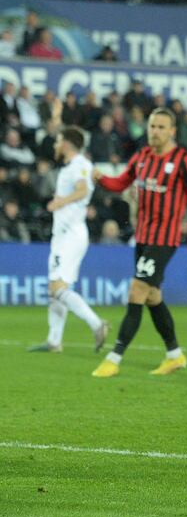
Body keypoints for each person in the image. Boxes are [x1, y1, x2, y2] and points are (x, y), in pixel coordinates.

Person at [90, 107, 187, 378]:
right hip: (143, 238)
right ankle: (174, 355)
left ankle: (114, 358)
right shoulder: (143, 157)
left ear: (172, 131)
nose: (154, 131)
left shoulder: (183, 160)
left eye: (161, 127)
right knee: (152, 297)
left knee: (136, 290)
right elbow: (121, 182)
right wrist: (100, 178)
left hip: (165, 240)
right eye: (151, 126)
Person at [28, 121, 110, 354]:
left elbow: (83, 190)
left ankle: (97, 324)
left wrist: (59, 202)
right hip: (62, 235)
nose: (55, 144)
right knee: (55, 288)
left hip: (72, 234)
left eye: (57, 140)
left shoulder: (80, 164)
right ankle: (54, 341)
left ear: (66, 144)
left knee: (58, 287)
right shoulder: (71, 165)